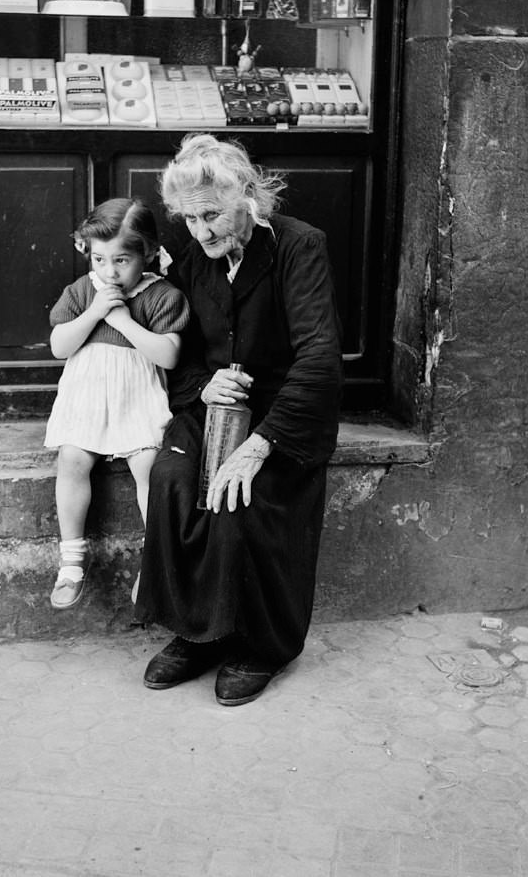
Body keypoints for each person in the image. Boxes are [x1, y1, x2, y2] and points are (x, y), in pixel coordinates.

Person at [134, 134, 343, 706]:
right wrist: (204, 386)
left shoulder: (299, 247)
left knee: (245, 493)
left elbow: (319, 355)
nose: (201, 231)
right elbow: (179, 346)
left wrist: (260, 444)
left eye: (212, 215)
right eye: (191, 217)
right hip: (214, 403)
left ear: (249, 197)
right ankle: (196, 631)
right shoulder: (188, 248)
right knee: (173, 478)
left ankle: (262, 644)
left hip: (282, 410)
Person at [44, 198, 190, 609]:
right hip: (87, 399)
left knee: (150, 468)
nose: (110, 272)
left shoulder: (162, 296)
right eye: (100, 259)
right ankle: (72, 559)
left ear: (148, 253)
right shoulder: (82, 291)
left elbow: (168, 356)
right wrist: (93, 313)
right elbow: (59, 346)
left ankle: (154, 561)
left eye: (122, 260)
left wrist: (124, 321)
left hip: (136, 399)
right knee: (72, 460)